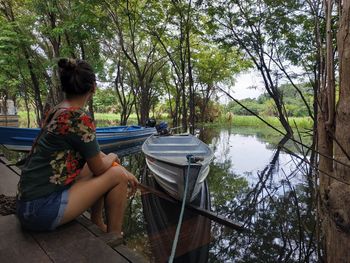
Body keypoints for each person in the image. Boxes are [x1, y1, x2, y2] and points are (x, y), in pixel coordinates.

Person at [16, 58, 138, 240]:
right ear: (93, 87)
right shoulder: (78, 118)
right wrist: (114, 157)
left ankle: (97, 221)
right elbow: (99, 167)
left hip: (26, 204)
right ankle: (115, 238)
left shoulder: (57, 111)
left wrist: (113, 162)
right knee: (117, 175)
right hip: (39, 211)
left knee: (100, 167)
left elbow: (94, 158)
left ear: (65, 86)